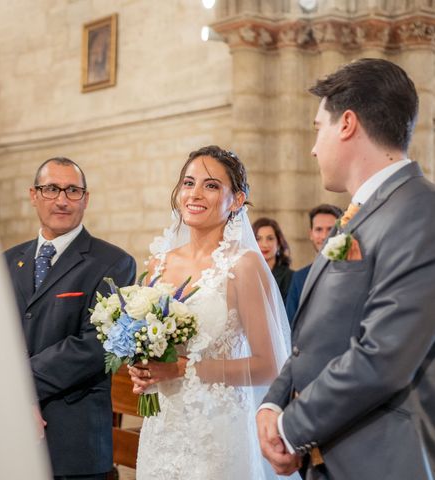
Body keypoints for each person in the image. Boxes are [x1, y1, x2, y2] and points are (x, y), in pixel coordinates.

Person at [256, 58, 435, 479]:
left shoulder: (427, 212)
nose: (314, 147)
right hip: (334, 453)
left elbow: (384, 357)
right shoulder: (353, 217)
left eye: (318, 128)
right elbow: (316, 337)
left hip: (391, 460)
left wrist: (289, 427)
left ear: (348, 123)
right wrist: (273, 401)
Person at [127, 145, 296, 480]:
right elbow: (147, 342)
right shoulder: (158, 265)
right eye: (188, 183)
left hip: (216, 432)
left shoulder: (242, 265)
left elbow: (269, 366)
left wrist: (185, 369)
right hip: (162, 426)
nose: (195, 193)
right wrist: (142, 369)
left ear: (236, 200)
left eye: (211, 185)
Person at [4, 157, 136, 480]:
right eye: (51, 189)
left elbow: (98, 344)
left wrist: (21, 385)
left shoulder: (113, 263)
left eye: (73, 190)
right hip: (10, 435)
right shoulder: (8, 261)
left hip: (74, 442)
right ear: (33, 195)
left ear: (86, 199)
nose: (62, 200)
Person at [285, 204, 342, 324]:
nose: (325, 236)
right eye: (319, 229)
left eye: (331, 229)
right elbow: (290, 324)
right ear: (311, 234)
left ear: (340, 232)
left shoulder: (353, 273)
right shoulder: (299, 278)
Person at [253, 217, 294, 303]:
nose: (264, 244)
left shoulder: (290, 277)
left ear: (279, 243)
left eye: (270, 238)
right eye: (258, 239)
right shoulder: (245, 274)